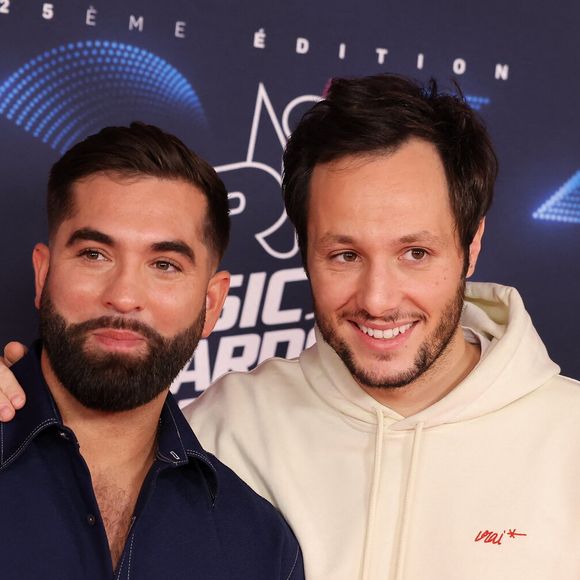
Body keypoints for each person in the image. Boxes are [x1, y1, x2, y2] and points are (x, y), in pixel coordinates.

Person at [2, 75, 580, 579]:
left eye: (415, 253)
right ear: (304, 255)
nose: (378, 301)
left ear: (471, 245)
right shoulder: (224, 427)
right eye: (344, 255)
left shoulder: (568, 439)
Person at [0, 123, 303, 579]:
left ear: (211, 304)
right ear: (43, 275)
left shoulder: (258, 543)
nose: (123, 296)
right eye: (94, 255)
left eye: (164, 265)